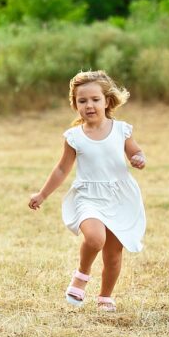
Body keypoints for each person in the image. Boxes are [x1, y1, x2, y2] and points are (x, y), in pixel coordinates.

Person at [28, 70, 146, 312]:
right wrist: (42, 194)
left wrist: (138, 158)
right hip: (89, 196)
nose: (89, 105)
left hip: (118, 196)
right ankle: (82, 275)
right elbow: (61, 169)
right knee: (95, 238)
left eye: (95, 99)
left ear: (107, 101)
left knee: (113, 254)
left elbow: (135, 151)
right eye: (82, 101)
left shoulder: (121, 130)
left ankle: (105, 297)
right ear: (75, 104)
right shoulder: (74, 137)